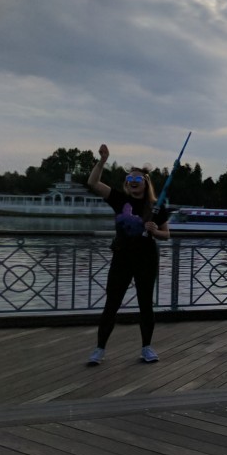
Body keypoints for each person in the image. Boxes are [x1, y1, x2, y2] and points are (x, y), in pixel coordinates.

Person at [85, 144, 170, 366]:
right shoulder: (119, 200)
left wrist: (155, 231)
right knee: (112, 303)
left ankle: (147, 348)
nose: (133, 181)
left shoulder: (156, 206)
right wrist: (102, 160)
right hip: (122, 258)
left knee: (145, 305)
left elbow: (166, 235)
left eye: (138, 178)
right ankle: (99, 349)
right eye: (130, 178)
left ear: (145, 183)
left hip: (146, 260)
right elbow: (93, 183)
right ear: (127, 183)